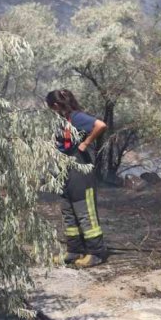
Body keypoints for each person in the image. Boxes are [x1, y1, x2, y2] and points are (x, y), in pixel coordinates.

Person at [46, 89, 108, 268]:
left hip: (81, 172)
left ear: (56, 105)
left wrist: (85, 143)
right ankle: (73, 251)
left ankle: (96, 253)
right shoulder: (62, 121)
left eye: (51, 107)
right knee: (68, 212)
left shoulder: (77, 117)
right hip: (65, 172)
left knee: (85, 212)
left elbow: (100, 125)